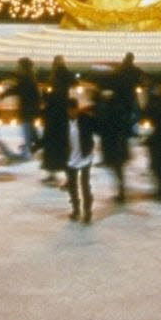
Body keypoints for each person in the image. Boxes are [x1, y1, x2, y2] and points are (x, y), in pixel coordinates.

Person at [64, 96, 97, 224]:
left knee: (85, 185)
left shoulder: (86, 119)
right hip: (70, 159)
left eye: (74, 109)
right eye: (70, 110)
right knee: (72, 186)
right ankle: (76, 209)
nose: (72, 112)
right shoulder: (63, 122)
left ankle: (87, 211)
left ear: (77, 108)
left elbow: (99, 127)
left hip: (85, 157)